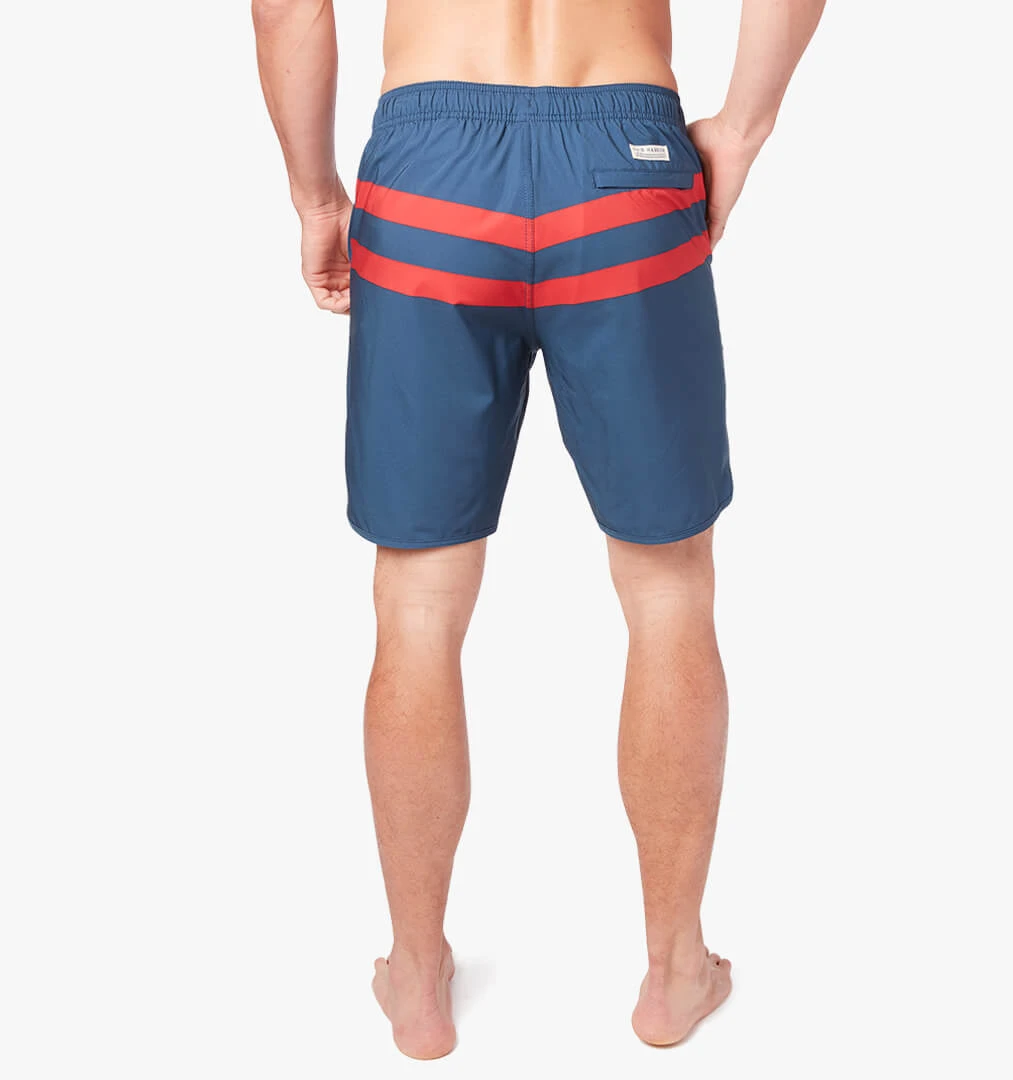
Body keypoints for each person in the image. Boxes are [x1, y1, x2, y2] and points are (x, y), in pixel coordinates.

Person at [252, 0, 824, 1059]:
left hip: (429, 171)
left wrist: (315, 196)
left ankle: (416, 979)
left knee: (417, 602)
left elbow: (287, 5)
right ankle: (675, 970)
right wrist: (743, 128)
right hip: (624, 159)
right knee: (668, 587)